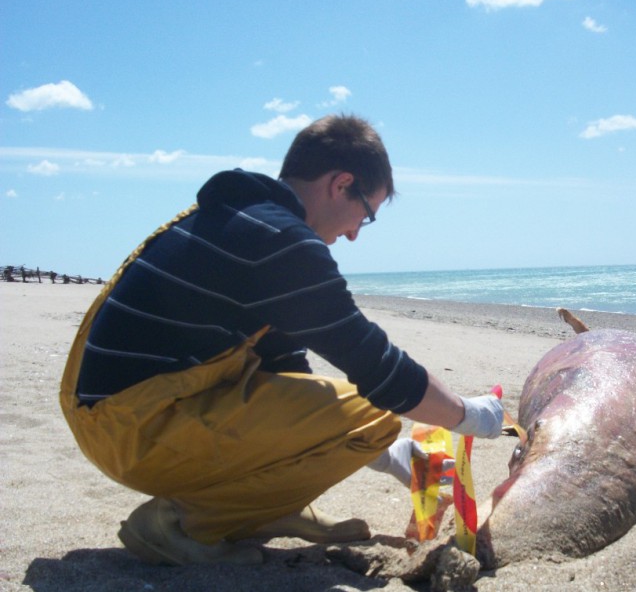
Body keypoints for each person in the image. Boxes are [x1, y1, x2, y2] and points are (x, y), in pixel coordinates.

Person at [60, 114, 504, 566]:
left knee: (359, 416)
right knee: (377, 412)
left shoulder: (241, 220)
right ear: (342, 183)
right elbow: (375, 365)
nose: (353, 234)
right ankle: (183, 523)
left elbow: (286, 377)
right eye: (366, 215)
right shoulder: (280, 240)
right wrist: (470, 416)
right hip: (132, 428)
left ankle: (270, 510)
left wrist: (387, 456)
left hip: (111, 412)